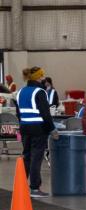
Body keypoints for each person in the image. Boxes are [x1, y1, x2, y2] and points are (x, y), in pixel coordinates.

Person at [16, 67, 57, 198]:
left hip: (24, 128)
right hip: (38, 129)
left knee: (27, 157)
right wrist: (52, 129)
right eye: (42, 75)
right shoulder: (40, 91)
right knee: (36, 158)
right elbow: (45, 114)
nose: (43, 77)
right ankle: (34, 188)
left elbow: (18, 113)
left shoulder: (20, 91)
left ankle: (21, 186)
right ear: (38, 77)